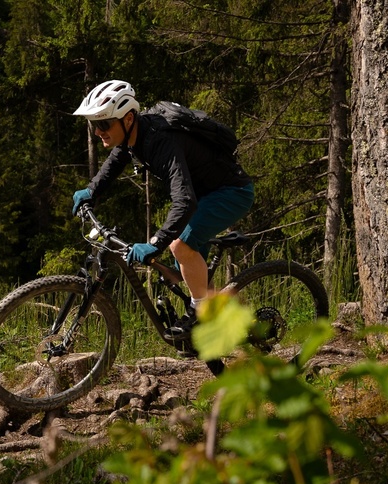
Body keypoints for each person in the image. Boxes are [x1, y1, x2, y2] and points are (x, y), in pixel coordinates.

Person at [71, 79, 254, 332]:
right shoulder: (136, 134)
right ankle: (218, 316)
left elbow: (185, 200)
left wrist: (154, 244)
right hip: (204, 196)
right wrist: (91, 190)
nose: (97, 132)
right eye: (94, 124)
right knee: (183, 262)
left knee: (179, 246)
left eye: (104, 124)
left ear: (127, 119)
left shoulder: (161, 141)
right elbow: (116, 160)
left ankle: (206, 322)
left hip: (231, 193)